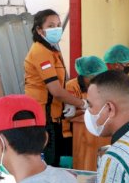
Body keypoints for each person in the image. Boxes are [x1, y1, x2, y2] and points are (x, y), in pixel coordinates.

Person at [23, 9, 89, 166]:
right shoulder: (40, 52)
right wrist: (82, 103)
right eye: (51, 25)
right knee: (48, 163)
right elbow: (55, 90)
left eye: (58, 25)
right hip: (42, 117)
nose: (56, 29)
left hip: (52, 115)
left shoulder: (51, 50)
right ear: (40, 30)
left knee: (55, 161)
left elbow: (59, 85)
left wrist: (66, 102)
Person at [62, 55, 107, 141]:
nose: (97, 80)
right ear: (85, 75)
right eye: (94, 77)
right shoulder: (71, 87)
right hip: (70, 133)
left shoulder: (98, 87)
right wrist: (87, 109)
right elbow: (68, 115)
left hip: (90, 131)